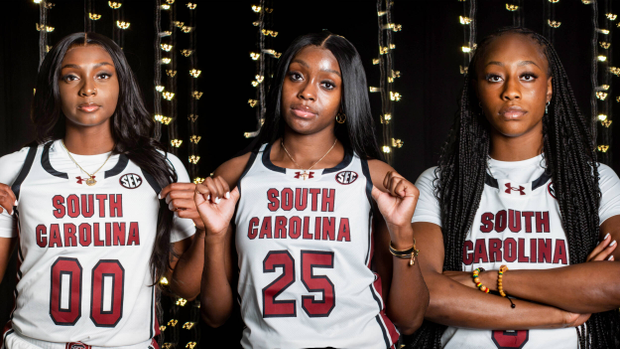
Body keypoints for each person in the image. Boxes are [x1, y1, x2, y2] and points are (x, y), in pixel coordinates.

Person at [193, 31, 429, 349]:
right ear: (282, 84)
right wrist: (215, 235)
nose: (306, 92)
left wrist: (401, 231)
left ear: (346, 99)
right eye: (297, 76)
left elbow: (410, 319)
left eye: (327, 84)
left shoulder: (373, 176)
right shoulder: (237, 174)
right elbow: (215, 315)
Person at [405, 27, 620, 349]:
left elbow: (615, 284)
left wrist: (489, 278)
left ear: (549, 89)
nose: (511, 91)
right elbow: (421, 295)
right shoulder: (440, 182)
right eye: (494, 77)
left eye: (528, 76)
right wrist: (559, 313)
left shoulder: (594, 179)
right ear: (477, 89)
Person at [0, 32, 205, 348]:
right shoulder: (15, 169)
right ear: (54, 87)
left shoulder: (162, 168)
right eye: (71, 77)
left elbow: (186, 289)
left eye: (103, 75)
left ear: (121, 83)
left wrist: (207, 231)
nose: (88, 89)